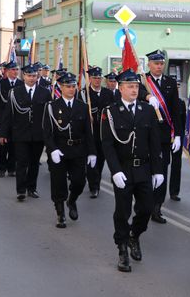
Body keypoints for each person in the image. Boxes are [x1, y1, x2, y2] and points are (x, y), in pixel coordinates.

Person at [101, 69, 163, 273]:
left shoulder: (147, 110)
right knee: (122, 211)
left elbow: (154, 142)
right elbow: (108, 145)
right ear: (120, 88)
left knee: (146, 208)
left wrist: (158, 170)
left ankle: (134, 235)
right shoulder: (110, 112)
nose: (134, 89)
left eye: (136, 86)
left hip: (143, 168)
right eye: (130, 86)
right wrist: (115, 171)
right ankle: (122, 250)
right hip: (124, 170)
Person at [43, 72, 96, 227]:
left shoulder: (82, 106)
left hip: (78, 149)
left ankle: (72, 200)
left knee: (79, 181)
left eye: (74, 86)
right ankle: (60, 213)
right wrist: (52, 149)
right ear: (61, 87)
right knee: (58, 183)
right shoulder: (52, 107)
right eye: (68, 86)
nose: (71, 89)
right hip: (59, 150)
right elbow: (47, 132)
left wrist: (92, 152)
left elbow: (88, 132)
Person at [138, 50, 182, 224]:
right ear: (149, 64)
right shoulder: (142, 80)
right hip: (145, 134)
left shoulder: (170, 82)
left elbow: (176, 111)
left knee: (161, 171)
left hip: (164, 136)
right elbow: (135, 92)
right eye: (156, 63)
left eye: (161, 63)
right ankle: (144, 204)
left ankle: (157, 207)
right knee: (145, 171)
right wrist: (147, 96)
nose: (159, 66)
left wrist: (177, 135)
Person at [0, 65, 50, 201]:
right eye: (29, 76)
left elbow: (49, 115)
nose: (32, 78)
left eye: (34, 76)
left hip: (38, 135)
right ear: (24, 76)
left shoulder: (45, 92)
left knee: (34, 163)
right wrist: (3, 133)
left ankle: (32, 188)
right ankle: (21, 190)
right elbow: (8, 114)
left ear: (37, 77)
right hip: (20, 134)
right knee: (21, 162)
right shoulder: (15, 92)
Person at [77, 66, 114, 198]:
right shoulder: (83, 93)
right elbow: (78, 112)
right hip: (90, 132)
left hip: (104, 132)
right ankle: (94, 186)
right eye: (94, 78)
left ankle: (95, 180)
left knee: (101, 159)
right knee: (91, 159)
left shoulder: (108, 93)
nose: (97, 80)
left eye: (99, 78)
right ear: (90, 79)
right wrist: (87, 116)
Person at [0, 61, 23, 177]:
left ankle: (11, 168)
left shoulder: (21, 84)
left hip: (17, 120)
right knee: (3, 145)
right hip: (3, 119)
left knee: (14, 146)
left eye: (17, 70)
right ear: (7, 71)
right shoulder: (0, 84)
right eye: (13, 70)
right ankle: (2, 168)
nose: (15, 72)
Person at [169, 79, 186, 201]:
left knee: (176, 165)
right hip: (164, 137)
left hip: (176, 138)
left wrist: (180, 137)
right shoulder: (163, 101)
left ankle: (174, 191)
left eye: (177, 87)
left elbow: (183, 122)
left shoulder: (181, 103)